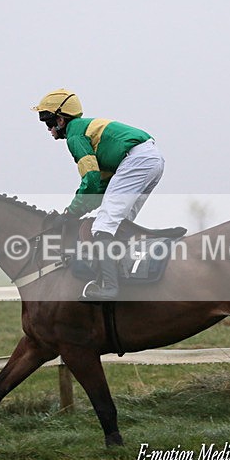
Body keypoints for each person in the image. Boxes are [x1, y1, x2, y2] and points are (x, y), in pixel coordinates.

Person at [32, 88, 164, 301]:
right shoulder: (89, 134)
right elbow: (100, 188)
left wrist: (71, 212)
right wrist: (73, 211)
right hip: (151, 160)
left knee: (103, 226)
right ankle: (124, 275)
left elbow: (91, 180)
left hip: (137, 161)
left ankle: (110, 287)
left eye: (48, 122)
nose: (48, 129)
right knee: (119, 223)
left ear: (62, 120)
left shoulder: (75, 134)